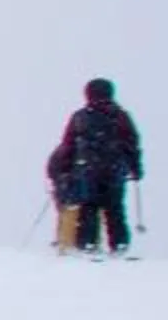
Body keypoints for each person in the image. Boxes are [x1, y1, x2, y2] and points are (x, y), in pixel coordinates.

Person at [51, 78, 143, 258]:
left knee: (89, 208)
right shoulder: (121, 116)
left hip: (87, 171)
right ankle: (119, 246)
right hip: (114, 171)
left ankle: (88, 246)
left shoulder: (80, 117)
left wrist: (64, 169)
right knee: (115, 209)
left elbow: (68, 146)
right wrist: (135, 168)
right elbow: (131, 144)